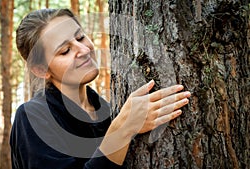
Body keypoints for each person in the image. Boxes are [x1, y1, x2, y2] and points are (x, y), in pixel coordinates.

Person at [10, 8, 191, 169]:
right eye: (65, 50)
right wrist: (124, 129)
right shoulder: (31, 117)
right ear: (41, 70)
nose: (83, 49)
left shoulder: (105, 109)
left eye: (80, 37)